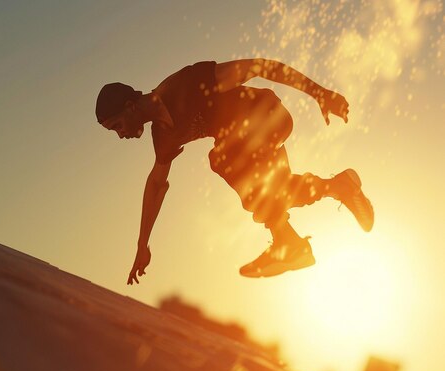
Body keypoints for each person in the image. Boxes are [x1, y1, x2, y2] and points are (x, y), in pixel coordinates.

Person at [95, 59, 374, 283]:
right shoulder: (163, 136)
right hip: (249, 145)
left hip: (268, 116)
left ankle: (288, 244)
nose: (121, 135)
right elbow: (156, 184)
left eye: (117, 126)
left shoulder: (184, 84)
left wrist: (319, 93)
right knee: (279, 194)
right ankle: (340, 187)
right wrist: (142, 244)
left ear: (130, 107)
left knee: (221, 158)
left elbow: (259, 66)